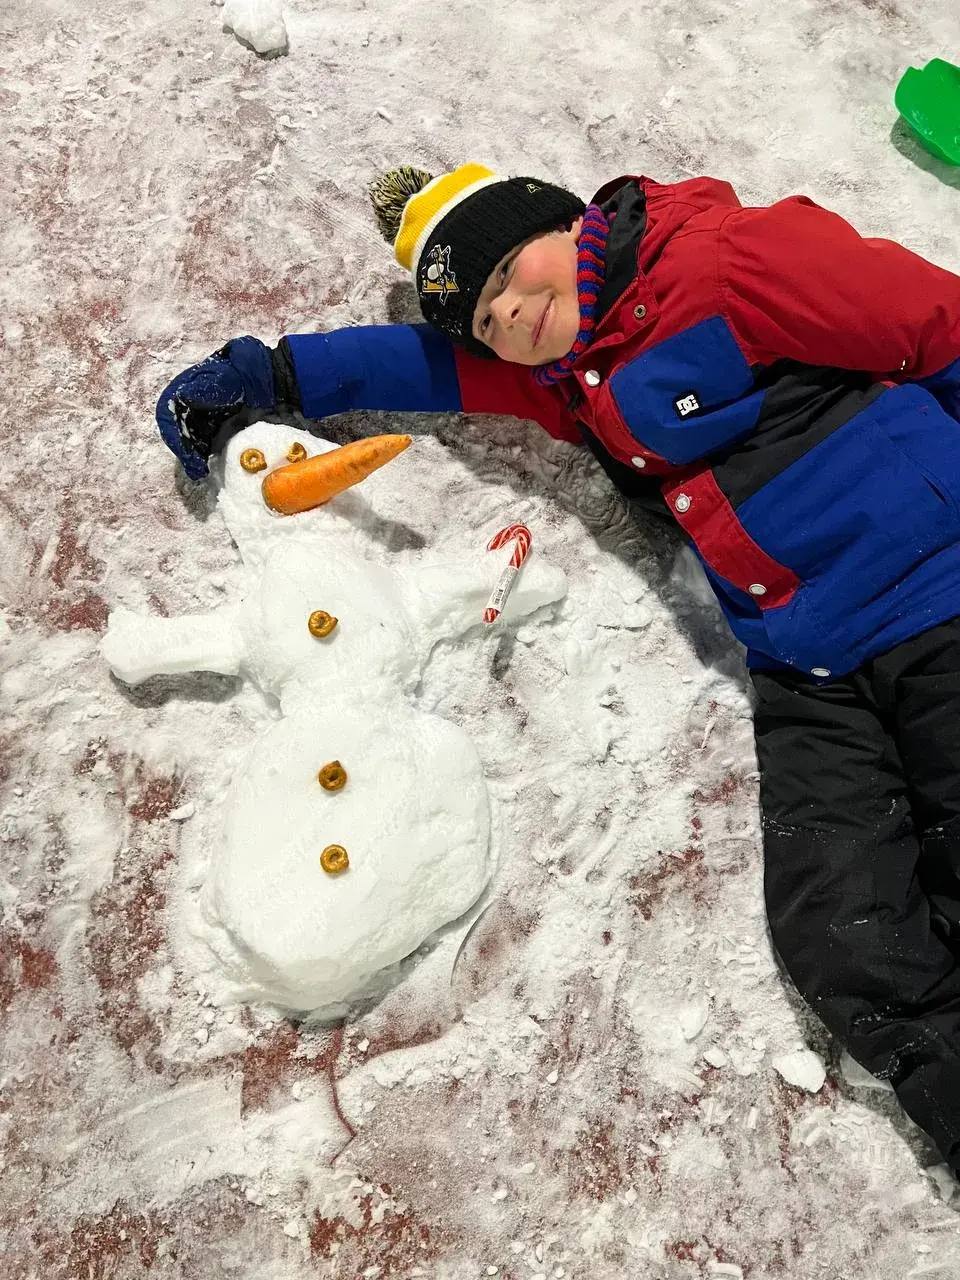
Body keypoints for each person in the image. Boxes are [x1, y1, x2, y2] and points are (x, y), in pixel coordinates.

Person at [157, 161, 960, 1172]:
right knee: (840, 929)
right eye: (485, 317)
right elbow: (424, 368)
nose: (509, 311)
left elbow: (940, 322)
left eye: (508, 274)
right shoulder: (569, 379)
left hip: (937, 589)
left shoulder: (725, 265)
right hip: (804, 664)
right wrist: (269, 375)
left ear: (568, 227)